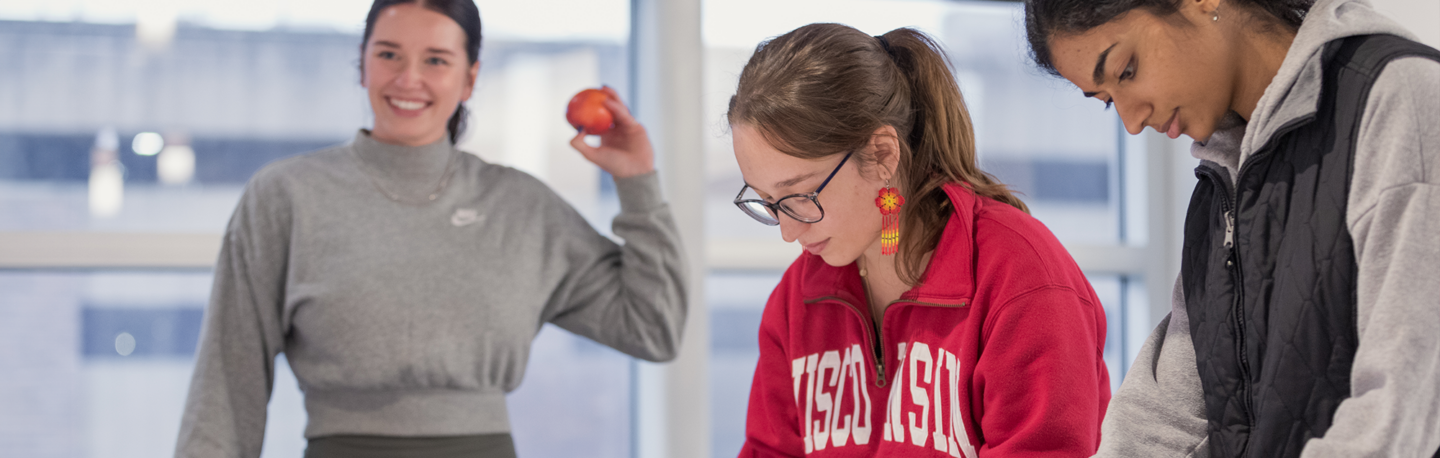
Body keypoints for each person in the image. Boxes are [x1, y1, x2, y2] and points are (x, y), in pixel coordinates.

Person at [173, 0, 688, 456]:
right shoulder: (285, 195)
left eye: (436, 60)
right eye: (388, 54)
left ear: (469, 78)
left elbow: (654, 327)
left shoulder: (519, 204)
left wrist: (637, 182)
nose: (408, 78)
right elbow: (228, 378)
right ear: (363, 64)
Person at [1024, 0, 1440, 455]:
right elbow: (1168, 416)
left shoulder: (1402, 98)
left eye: (1126, 70)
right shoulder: (1221, 182)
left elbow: (1402, 409)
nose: (1132, 120)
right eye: (1107, 103)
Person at [729, 23, 1111, 457]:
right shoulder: (797, 298)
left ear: (882, 155)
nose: (789, 231)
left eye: (801, 196)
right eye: (767, 202)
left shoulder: (1022, 279)